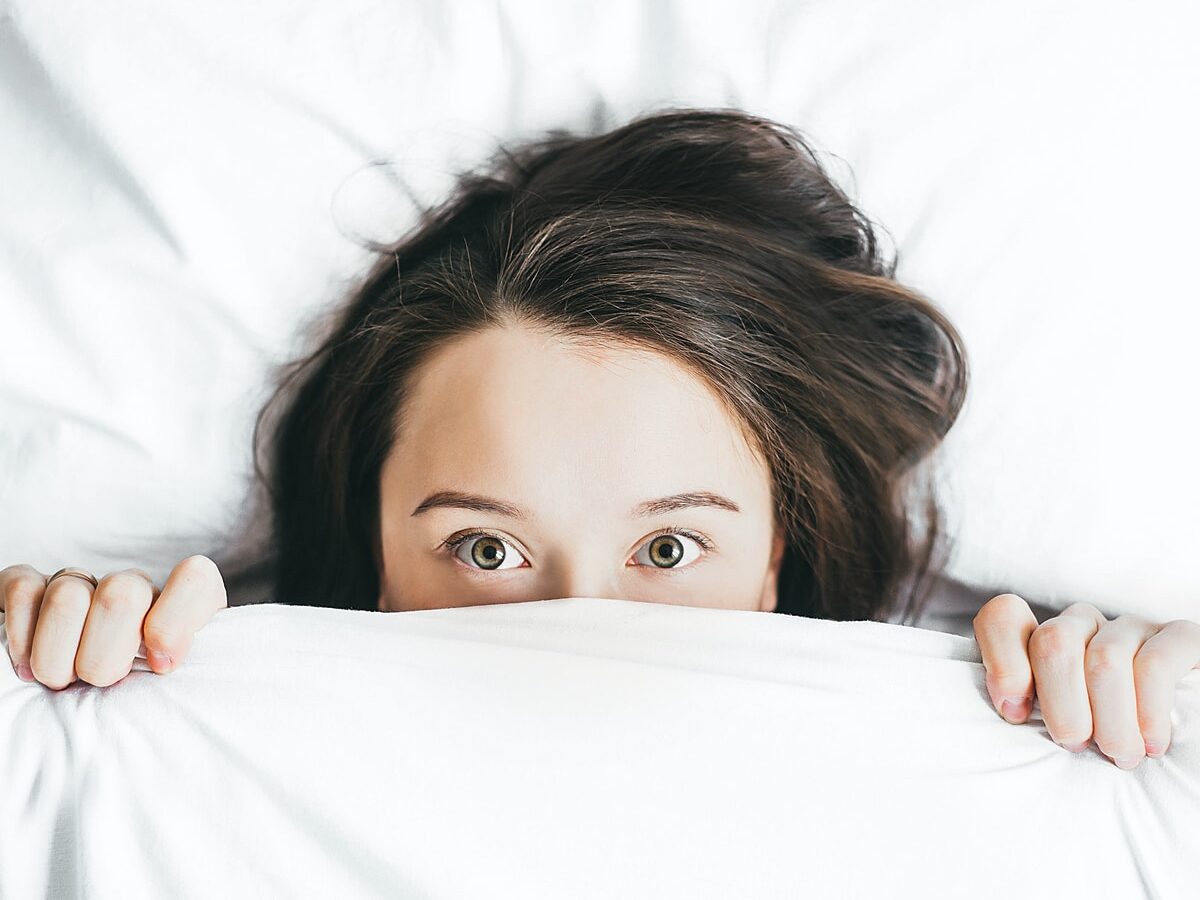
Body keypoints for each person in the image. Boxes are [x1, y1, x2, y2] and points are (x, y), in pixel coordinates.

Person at [3, 108, 1196, 771]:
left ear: (783, 554)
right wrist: (51, 673)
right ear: (369, 548)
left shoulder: (986, 744)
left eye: (670, 550)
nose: (579, 630)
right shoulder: (198, 741)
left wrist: (1154, 706)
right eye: (483, 548)